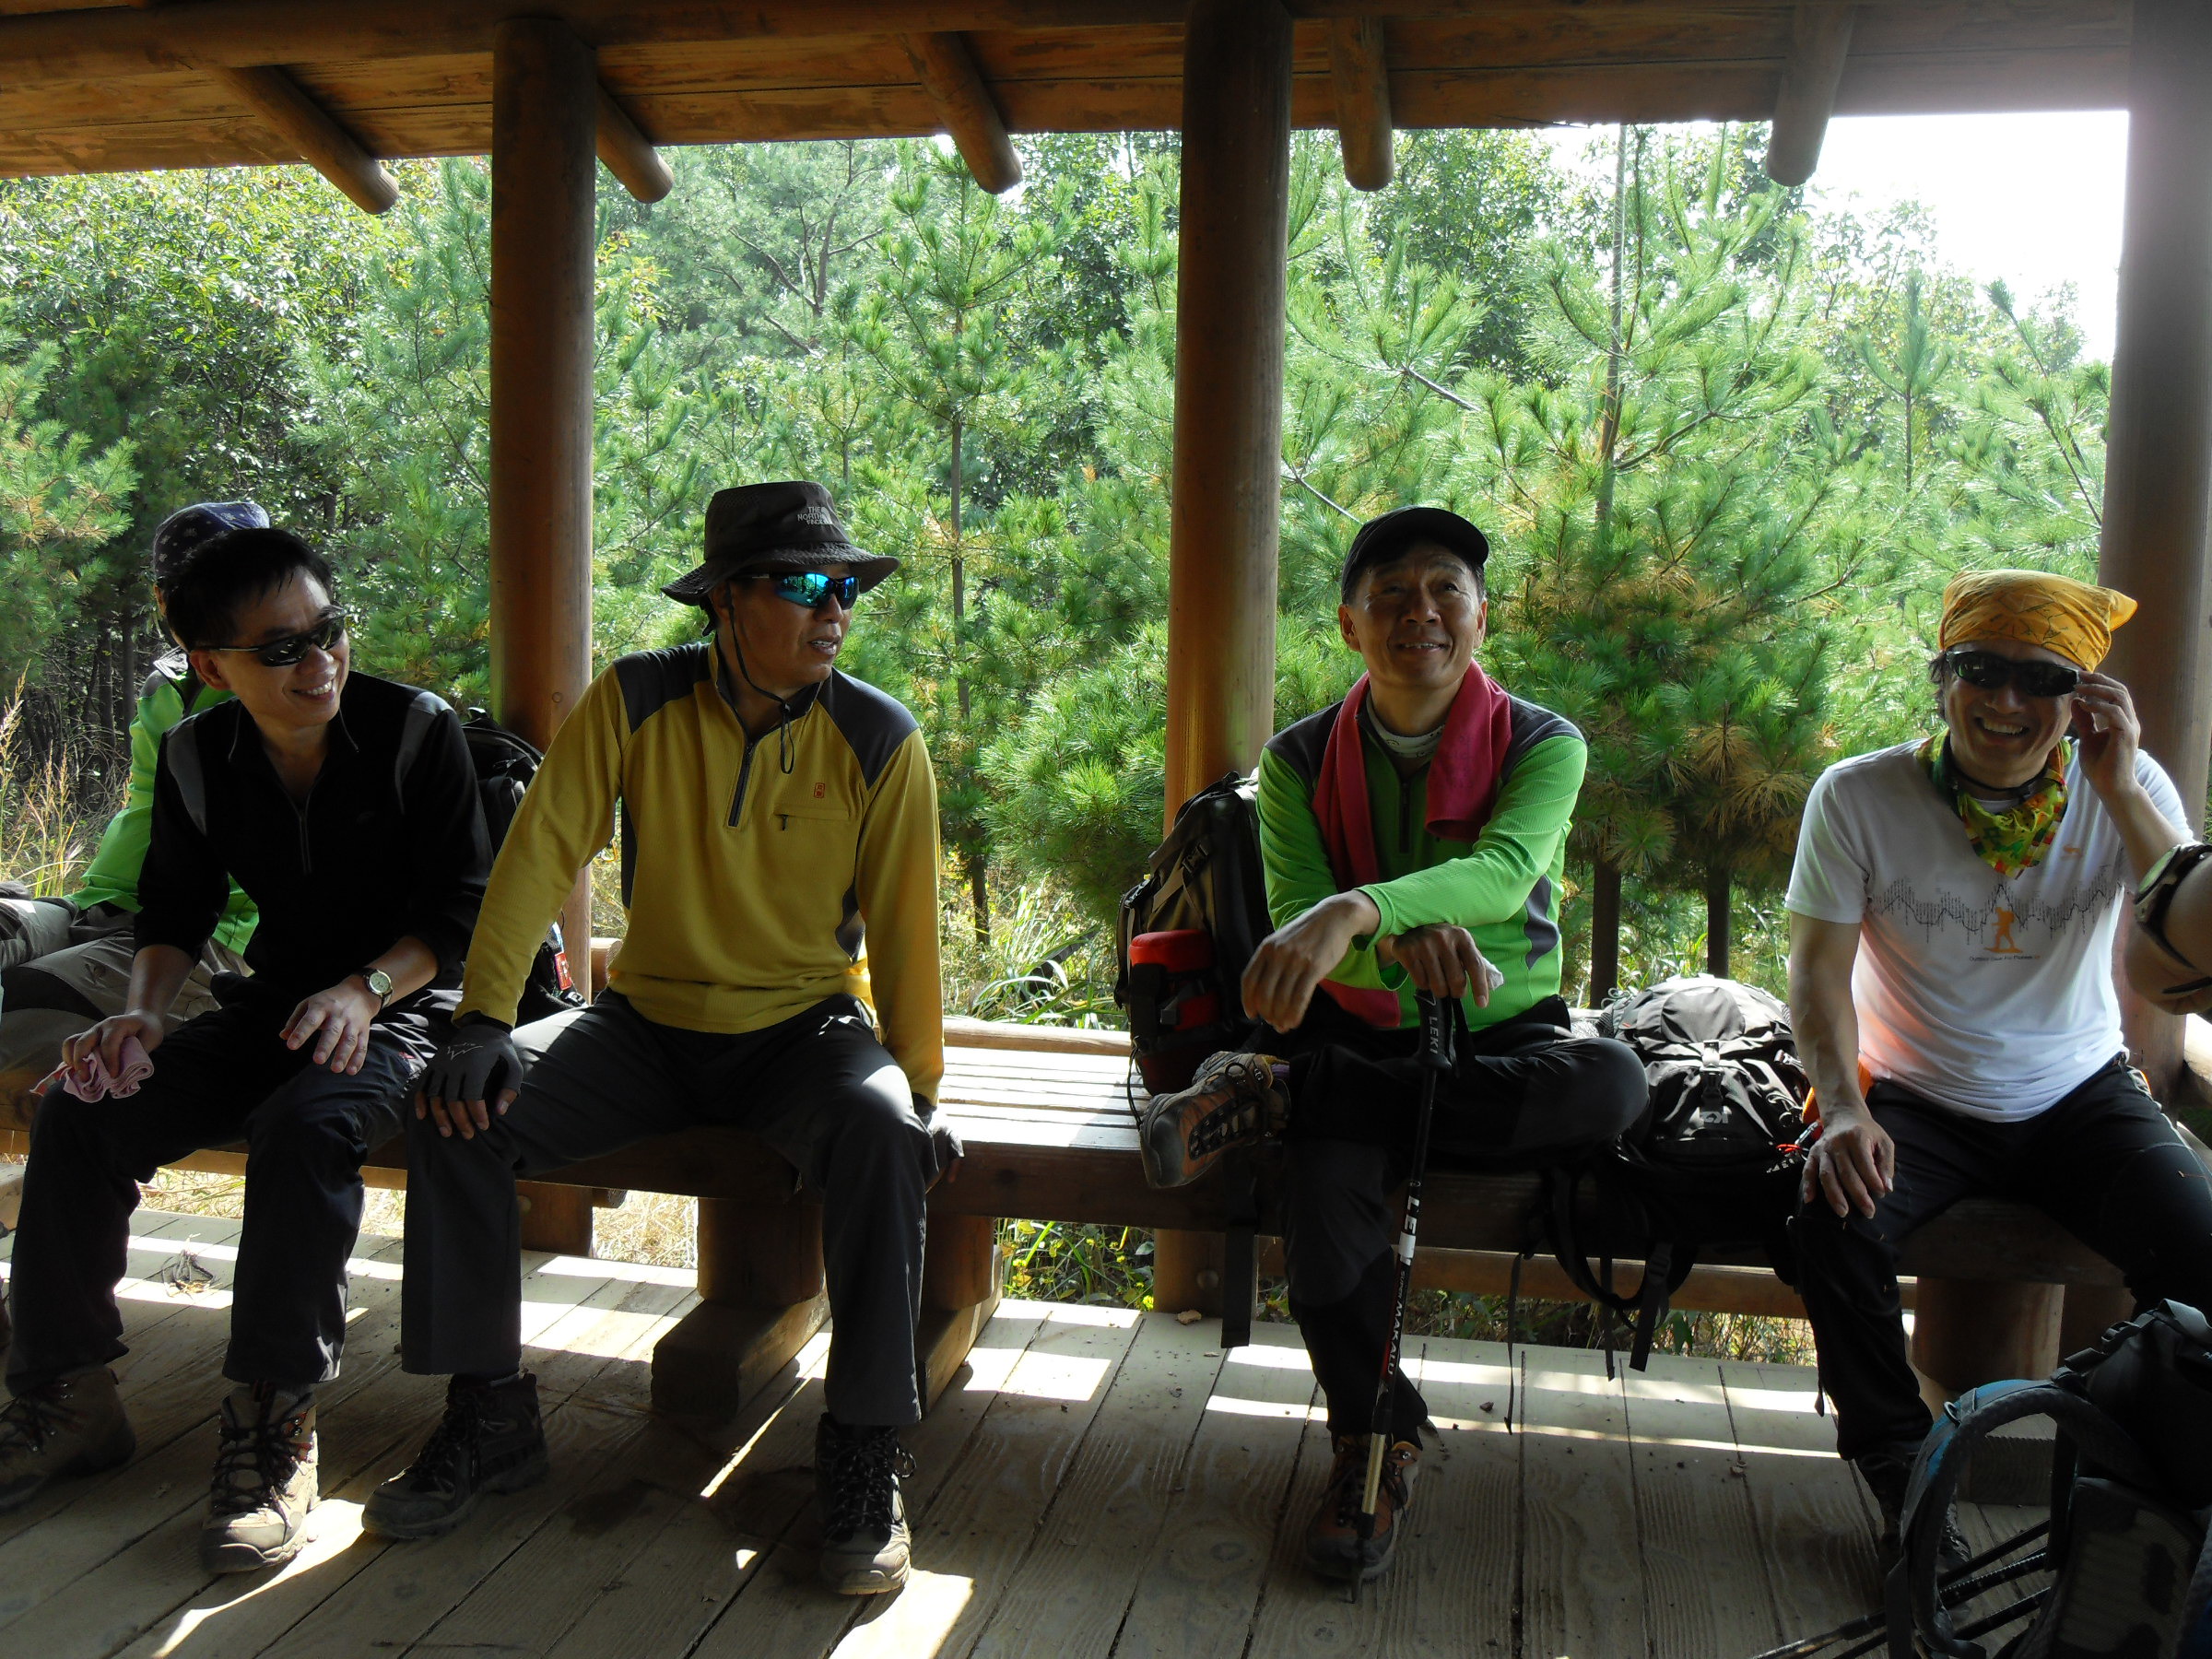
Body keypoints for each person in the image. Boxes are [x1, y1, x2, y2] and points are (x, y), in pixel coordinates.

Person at [371, 480, 947, 1597]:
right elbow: (538, 853)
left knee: (884, 1134)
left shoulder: (880, 737)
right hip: (643, 1028)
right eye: (807, 586)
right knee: (456, 1112)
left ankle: (865, 1447)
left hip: (803, 1032)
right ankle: (489, 1413)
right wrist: (483, 1020)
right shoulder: (638, 699)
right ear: (727, 601)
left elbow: (907, 931)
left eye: (847, 590)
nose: (835, 611)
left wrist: (920, 1090)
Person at [1138, 506, 1647, 1583]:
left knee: (1611, 1080)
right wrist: (1389, 943)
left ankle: (1287, 1093)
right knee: (1324, 1206)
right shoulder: (1296, 761)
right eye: (1392, 594)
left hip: (1501, 1033)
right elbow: (1300, 938)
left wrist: (1360, 910)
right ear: (1349, 626)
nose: (1423, 611)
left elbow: (1502, 876)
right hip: (1358, 1032)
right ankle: (1373, 1440)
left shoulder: (1545, 744)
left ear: (1481, 616)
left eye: (1446, 588)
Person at [0, 527, 490, 1573]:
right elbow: (173, 911)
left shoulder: (414, 730)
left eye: (328, 630)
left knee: (305, 1126)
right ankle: (67, 1396)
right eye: (280, 650)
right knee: (81, 1107)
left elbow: (461, 912)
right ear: (213, 667)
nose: (319, 663)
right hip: (277, 999)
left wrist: (365, 991)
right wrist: (141, 1017)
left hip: (410, 1006)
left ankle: (273, 1425)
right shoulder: (197, 755)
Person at [1785, 567, 2212, 1561]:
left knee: (2201, 1256)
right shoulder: (1860, 796)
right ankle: (1903, 1473)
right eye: (1981, 669)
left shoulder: (2129, 787)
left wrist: (2119, 786)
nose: (2008, 700)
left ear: (2083, 696)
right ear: (1942, 679)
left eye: (2043, 678)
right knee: (1827, 1222)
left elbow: (2189, 946)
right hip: (1913, 1092)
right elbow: (1815, 975)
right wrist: (1844, 1107)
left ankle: (2138, 1490)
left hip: (2077, 1092)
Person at [0, 502, 264, 1080]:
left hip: (212, 935)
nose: (212, 604)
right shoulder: (165, 683)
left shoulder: (292, 694)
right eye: (190, 587)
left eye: (236, 583)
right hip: (102, 904)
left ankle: (83, 1133)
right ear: (163, 597)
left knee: (16, 1012)